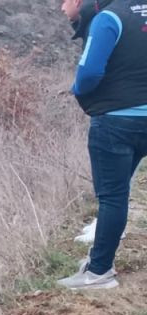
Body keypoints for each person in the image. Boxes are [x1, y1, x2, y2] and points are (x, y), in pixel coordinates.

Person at [57, 0, 147, 290]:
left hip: (116, 123)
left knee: (113, 197)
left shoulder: (109, 18)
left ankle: (99, 272)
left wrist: (77, 91)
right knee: (121, 191)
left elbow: (89, 72)